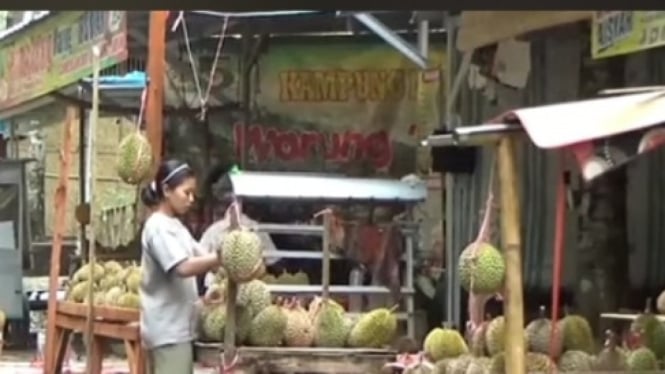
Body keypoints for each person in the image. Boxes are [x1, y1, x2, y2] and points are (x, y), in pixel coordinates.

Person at [139, 159, 222, 374]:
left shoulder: (175, 226)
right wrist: (220, 258)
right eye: (187, 193)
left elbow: (200, 255)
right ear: (167, 190)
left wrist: (225, 260)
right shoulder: (157, 228)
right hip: (167, 331)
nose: (191, 199)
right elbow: (183, 268)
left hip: (180, 329)